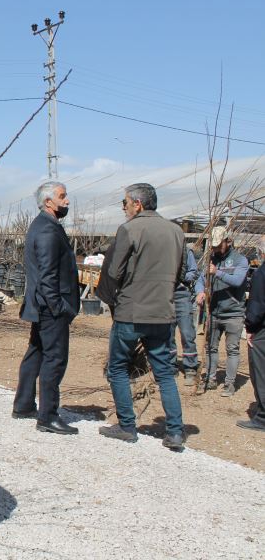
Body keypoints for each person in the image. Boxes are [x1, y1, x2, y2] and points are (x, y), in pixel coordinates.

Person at [99, 183, 187, 451]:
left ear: (137, 204)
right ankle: (175, 432)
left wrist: (113, 298)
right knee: (164, 373)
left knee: (117, 369)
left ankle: (127, 426)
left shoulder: (130, 229)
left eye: (124, 203)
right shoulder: (176, 232)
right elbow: (182, 274)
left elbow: (114, 271)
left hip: (131, 312)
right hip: (163, 314)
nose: (123, 208)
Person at [13, 181, 80, 434]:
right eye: (62, 197)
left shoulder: (44, 225)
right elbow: (47, 276)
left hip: (42, 304)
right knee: (55, 359)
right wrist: (58, 307)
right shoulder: (48, 231)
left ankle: (23, 405)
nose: (67, 201)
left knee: (36, 352)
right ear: (48, 202)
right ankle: (48, 416)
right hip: (50, 307)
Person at [203, 226, 250, 397]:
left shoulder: (240, 260)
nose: (216, 249)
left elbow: (237, 281)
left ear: (227, 241)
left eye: (218, 245)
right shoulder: (211, 259)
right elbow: (203, 278)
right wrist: (202, 290)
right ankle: (210, 377)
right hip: (214, 311)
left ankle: (229, 384)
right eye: (214, 246)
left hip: (233, 314)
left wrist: (218, 272)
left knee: (232, 349)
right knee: (210, 347)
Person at [238, 235, 265, 431]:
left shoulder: (261, 273)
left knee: (261, 373)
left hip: (262, 330)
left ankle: (262, 417)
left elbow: (256, 306)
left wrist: (250, 327)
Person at [169, 246, 205, 385]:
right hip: (166, 295)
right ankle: (171, 365)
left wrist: (182, 278)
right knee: (168, 333)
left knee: (187, 332)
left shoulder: (185, 251)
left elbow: (193, 271)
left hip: (182, 295)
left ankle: (190, 367)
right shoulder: (163, 250)